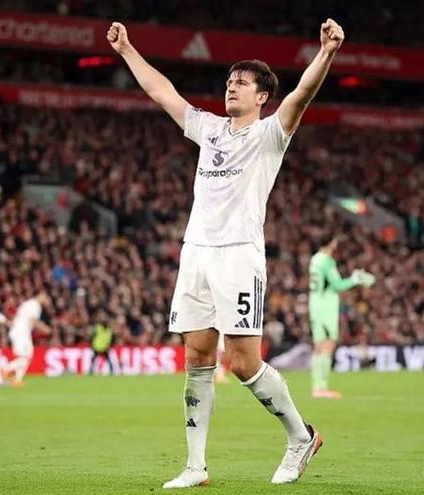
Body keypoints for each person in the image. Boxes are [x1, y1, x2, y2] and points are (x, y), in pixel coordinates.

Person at [107, 16, 345, 488]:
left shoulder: (271, 134)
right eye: (229, 81)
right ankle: (196, 466)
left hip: (238, 255)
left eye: (242, 83)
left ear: (262, 97)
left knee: (242, 361)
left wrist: (327, 52)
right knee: (197, 354)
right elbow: (162, 93)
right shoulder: (209, 128)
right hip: (196, 251)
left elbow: (302, 95)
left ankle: (301, 437)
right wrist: (127, 50)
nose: (231, 87)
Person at [308, 235, 375, 398]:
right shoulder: (327, 261)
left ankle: (317, 387)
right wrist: (355, 279)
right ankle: (321, 388)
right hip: (326, 307)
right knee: (327, 345)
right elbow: (338, 285)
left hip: (315, 304)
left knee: (319, 346)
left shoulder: (314, 259)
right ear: (331, 243)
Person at [2, 291, 51, 387]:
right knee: (26, 357)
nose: (47, 301)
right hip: (21, 333)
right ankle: (6, 369)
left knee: (26, 356)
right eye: (46, 298)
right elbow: (33, 320)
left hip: (19, 331)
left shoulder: (28, 303)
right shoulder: (35, 305)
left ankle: (17, 380)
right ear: (42, 295)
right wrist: (45, 329)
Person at [89, 309, 115, 375]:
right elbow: (93, 337)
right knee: (106, 360)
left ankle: (91, 371)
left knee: (96, 359)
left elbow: (109, 339)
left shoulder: (101, 328)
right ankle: (111, 371)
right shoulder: (100, 328)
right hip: (98, 347)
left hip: (102, 347)